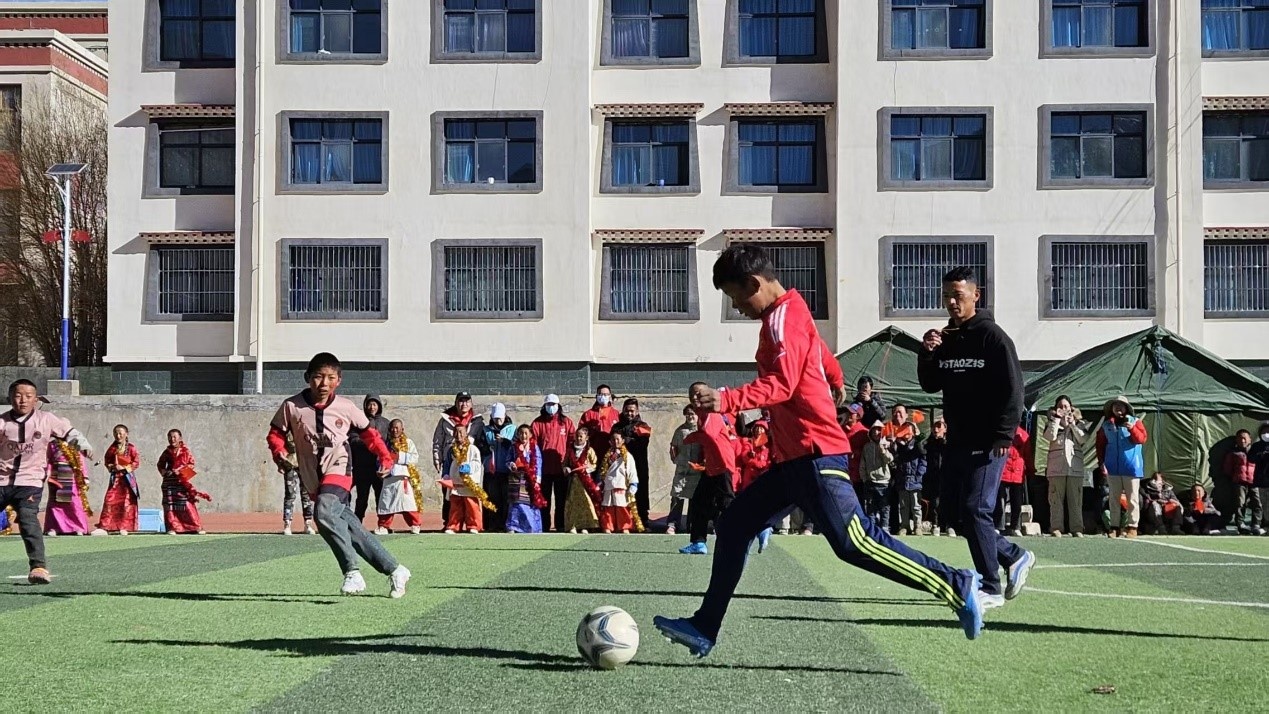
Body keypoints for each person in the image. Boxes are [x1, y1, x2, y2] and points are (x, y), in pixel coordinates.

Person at [654, 245, 985, 658]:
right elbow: (817, 349)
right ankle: (705, 626)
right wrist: (835, 376)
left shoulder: (781, 320)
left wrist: (726, 399)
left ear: (754, 284)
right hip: (793, 461)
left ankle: (956, 583)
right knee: (735, 525)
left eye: (736, 298)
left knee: (856, 543)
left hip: (816, 456)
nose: (737, 308)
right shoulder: (792, 311)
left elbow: (782, 384)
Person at [918, 265, 1035, 611]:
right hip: (958, 440)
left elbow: (1015, 389)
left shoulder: (993, 337)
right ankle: (1013, 556)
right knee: (954, 513)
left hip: (989, 441)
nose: (952, 302)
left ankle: (991, 586)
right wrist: (927, 352)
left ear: (975, 295)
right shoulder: (947, 338)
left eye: (958, 295)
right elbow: (930, 384)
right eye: (946, 297)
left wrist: (1004, 435)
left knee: (975, 508)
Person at [266, 352, 411, 597]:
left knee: (323, 512)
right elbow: (275, 434)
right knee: (349, 527)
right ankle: (395, 569)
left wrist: (386, 458)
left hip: (340, 469)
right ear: (307, 377)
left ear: (339, 381)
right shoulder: (291, 406)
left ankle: (352, 571)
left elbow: (370, 435)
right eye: (318, 377)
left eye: (330, 378)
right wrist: (278, 452)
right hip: (312, 476)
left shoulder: (346, 407)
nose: (324, 384)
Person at [0, 380, 94, 583]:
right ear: (9, 398)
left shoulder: (46, 419)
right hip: (2, 480)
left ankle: (38, 567)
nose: (23, 400)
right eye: (18, 395)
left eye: (28, 396)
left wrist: (83, 445)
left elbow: (69, 432)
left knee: (28, 520)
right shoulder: (2, 422)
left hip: (30, 481)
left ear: (36, 399)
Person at [681, 398, 738, 555]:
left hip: (723, 464)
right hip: (712, 467)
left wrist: (691, 437)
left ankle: (741, 535)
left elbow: (709, 434)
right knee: (699, 501)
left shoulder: (712, 415)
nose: (694, 401)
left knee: (726, 503)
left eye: (697, 398)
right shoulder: (703, 416)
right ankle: (699, 542)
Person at [1094, 396, 1148, 539]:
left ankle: (1132, 527)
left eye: (1121, 405)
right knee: (1113, 498)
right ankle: (1114, 527)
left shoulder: (1135, 422)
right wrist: (1101, 462)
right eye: (1115, 405)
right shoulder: (1106, 425)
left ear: (1126, 408)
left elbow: (1142, 439)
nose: (1118, 408)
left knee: (1132, 498)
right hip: (1112, 467)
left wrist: (1132, 429)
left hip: (1132, 467)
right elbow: (1100, 445)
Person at [433, 391, 483, 524]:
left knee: (470, 494)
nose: (464, 404)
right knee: (449, 493)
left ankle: (472, 524)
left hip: (470, 464)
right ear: (456, 403)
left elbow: (481, 442)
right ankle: (450, 522)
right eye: (461, 401)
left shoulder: (478, 421)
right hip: (450, 460)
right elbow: (438, 441)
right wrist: (437, 459)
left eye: (467, 401)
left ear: (471, 403)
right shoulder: (445, 420)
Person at [1044, 396, 1086, 537]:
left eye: (1066, 406)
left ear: (1071, 408)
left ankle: (1077, 528)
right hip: (1056, 468)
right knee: (1055, 500)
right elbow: (1050, 437)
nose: (1063, 409)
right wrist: (1056, 420)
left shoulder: (1080, 423)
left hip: (1075, 468)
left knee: (1076, 500)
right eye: (1060, 406)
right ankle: (1056, 527)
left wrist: (1073, 423)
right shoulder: (1051, 422)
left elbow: (1083, 438)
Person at [531, 394, 574, 532]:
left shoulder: (566, 422)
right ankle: (544, 525)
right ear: (544, 406)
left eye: (553, 404)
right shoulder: (537, 423)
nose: (551, 407)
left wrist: (569, 463)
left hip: (561, 468)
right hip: (544, 469)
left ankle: (561, 525)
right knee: (544, 500)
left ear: (558, 405)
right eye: (548, 404)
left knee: (561, 499)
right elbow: (533, 445)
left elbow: (572, 443)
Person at [376, 419, 422, 535]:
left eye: (397, 428)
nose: (394, 430)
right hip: (389, 478)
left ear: (402, 429)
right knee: (386, 502)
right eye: (392, 428)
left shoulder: (408, 443)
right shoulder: (386, 444)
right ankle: (383, 526)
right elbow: (380, 458)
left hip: (402, 478)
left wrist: (398, 457)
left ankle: (415, 525)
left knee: (407, 503)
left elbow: (415, 458)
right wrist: (381, 470)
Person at [157, 429, 207, 535]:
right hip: (169, 483)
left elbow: (191, 464)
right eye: (170, 437)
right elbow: (160, 465)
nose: (172, 439)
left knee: (187, 504)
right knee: (170, 506)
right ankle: (172, 528)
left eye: (174, 437)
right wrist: (165, 472)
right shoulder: (166, 452)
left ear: (180, 438)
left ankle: (195, 527)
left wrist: (180, 471)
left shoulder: (185, 451)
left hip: (182, 483)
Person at [350, 394, 390, 521]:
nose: (372, 407)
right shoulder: (359, 422)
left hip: (379, 467)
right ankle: (357, 523)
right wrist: (370, 442)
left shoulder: (385, 423)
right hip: (362, 467)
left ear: (379, 406)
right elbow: (353, 439)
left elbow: (390, 443)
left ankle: (383, 524)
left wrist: (387, 461)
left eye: (375, 404)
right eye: (370, 404)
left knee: (381, 497)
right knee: (362, 498)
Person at [614, 398, 654, 525]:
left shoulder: (643, 426)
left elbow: (642, 444)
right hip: (620, 465)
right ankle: (622, 520)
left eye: (632, 411)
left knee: (640, 491)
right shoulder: (616, 427)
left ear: (637, 411)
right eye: (627, 411)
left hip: (638, 465)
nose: (629, 413)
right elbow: (613, 443)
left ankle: (643, 519)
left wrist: (625, 440)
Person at [95, 424, 140, 536]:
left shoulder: (131, 448)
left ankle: (125, 527)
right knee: (109, 501)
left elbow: (136, 462)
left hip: (127, 480)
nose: (118, 435)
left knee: (126, 503)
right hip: (115, 479)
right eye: (116, 433)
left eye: (120, 433)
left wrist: (124, 468)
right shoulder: (112, 448)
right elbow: (107, 461)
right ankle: (105, 526)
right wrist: (112, 467)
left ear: (126, 434)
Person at [44, 437, 92, 536]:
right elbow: (48, 459)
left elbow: (80, 460)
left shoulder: (74, 442)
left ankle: (78, 527)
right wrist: (47, 472)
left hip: (71, 474)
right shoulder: (52, 444)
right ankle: (54, 527)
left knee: (74, 502)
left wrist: (84, 476)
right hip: (56, 474)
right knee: (55, 502)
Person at [444, 424, 488, 534]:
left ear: (466, 433)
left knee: (472, 506)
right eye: (456, 432)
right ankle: (454, 526)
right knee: (455, 506)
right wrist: (446, 475)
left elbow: (477, 463)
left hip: (469, 482)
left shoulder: (473, 449)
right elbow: (447, 463)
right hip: (456, 481)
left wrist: (469, 467)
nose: (458, 435)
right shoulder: (451, 449)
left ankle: (474, 526)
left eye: (461, 432)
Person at [475, 404, 512, 532]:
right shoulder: (485, 430)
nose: (498, 420)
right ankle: (490, 525)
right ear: (491, 417)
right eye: (496, 418)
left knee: (505, 499)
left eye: (500, 417)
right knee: (491, 498)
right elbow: (479, 447)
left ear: (505, 416)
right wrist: (488, 447)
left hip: (507, 471)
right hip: (490, 471)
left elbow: (515, 446)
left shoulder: (512, 429)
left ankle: (505, 524)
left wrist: (505, 442)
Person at [666, 407, 701, 536]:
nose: (690, 417)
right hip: (682, 470)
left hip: (696, 471)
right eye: (688, 414)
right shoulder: (680, 431)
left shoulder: (701, 430)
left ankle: (691, 525)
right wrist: (677, 460)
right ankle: (672, 524)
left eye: (693, 414)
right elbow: (673, 447)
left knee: (694, 499)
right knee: (677, 496)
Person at [506, 424, 546, 534]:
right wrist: (512, 465)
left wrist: (537, 480)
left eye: (525, 433)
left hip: (530, 479)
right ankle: (513, 526)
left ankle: (531, 527)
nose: (523, 436)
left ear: (530, 435)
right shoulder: (513, 447)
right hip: (516, 478)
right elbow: (508, 460)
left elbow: (538, 463)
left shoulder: (534, 447)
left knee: (530, 502)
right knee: (516, 502)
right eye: (521, 433)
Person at [599, 429, 639, 534]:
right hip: (609, 485)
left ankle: (624, 526)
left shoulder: (627, 456)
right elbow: (603, 471)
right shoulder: (607, 456)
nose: (615, 441)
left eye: (618, 439)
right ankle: (608, 526)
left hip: (620, 484)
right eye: (613, 439)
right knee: (608, 507)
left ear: (623, 440)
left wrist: (633, 484)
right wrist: (600, 482)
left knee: (622, 507)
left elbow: (631, 471)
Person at [562, 426, 600, 533]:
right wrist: (566, 469)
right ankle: (572, 525)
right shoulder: (570, 451)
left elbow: (594, 464)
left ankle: (585, 526)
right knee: (572, 503)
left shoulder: (589, 450)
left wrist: (587, 469)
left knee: (586, 502)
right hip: (573, 482)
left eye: (581, 436)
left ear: (586, 437)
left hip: (585, 482)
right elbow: (565, 463)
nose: (578, 438)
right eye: (577, 436)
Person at [1225, 429, 1263, 535]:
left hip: (1254, 481)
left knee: (1257, 503)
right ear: (1236, 440)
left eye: (1245, 438)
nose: (1243, 440)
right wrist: (1236, 476)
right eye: (1240, 438)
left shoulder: (1257, 451)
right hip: (1239, 482)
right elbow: (1227, 468)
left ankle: (1256, 524)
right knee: (1239, 503)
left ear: (1250, 439)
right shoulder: (1233, 453)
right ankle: (1241, 524)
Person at [278, 432, 316, 536]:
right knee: (290, 494)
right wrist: (280, 463)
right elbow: (279, 445)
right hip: (290, 464)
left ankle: (308, 524)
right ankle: (287, 524)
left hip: (305, 464)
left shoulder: (307, 429)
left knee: (306, 494)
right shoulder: (286, 430)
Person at [996, 426, 1031, 537]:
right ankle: (998, 526)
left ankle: (1016, 527)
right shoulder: (1003, 432)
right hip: (1003, 471)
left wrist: (1030, 469)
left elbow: (1028, 454)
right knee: (1000, 501)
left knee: (1017, 503)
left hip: (1018, 474)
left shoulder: (1024, 435)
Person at [893, 425, 927, 536]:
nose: (906, 433)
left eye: (908, 430)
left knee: (916, 506)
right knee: (903, 506)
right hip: (902, 481)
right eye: (903, 430)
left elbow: (923, 458)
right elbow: (895, 459)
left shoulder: (918, 444)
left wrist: (919, 474)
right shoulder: (899, 445)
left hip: (915, 480)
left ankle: (918, 526)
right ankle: (904, 526)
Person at [860, 423, 894, 532]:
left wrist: (883, 449)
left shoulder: (886, 444)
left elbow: (889, 459)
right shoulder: (867, 447)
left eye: (879, 430)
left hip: (883, 482)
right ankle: (872, 529)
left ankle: (884, 528)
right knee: (871, 507)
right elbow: (863, 464)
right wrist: (864, 478)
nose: (876, 432)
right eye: (874, 430)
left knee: (884, 507)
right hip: (870, 481)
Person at [925, 418, 953, 536]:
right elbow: (921, 449)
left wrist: (943, 442)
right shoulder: (929, 443)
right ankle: (935, 524)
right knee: (935, 502)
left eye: (939, 426)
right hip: (934, 476)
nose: (936, 429)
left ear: (945, 429)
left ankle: (949, 525)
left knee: (948, 500)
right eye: (934, 427)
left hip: (948, 476)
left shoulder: (950, 443)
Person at [579, 386, 620, 463]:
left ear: (610, 396)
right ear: (596, 396)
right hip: (593, 452)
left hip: (611, 452)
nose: (603, 396)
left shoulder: (616, 414)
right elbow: (581, 433)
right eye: (600, 394)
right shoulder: (588, 414)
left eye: (606, 394)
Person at [1251, 421, 1269, 534]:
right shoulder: (1256, 446)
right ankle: (1265, 525)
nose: (1267, 434)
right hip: (1261, 481)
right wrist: (1261, 455)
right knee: (1264, 504)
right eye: (1264, 431)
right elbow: (1250, 458)